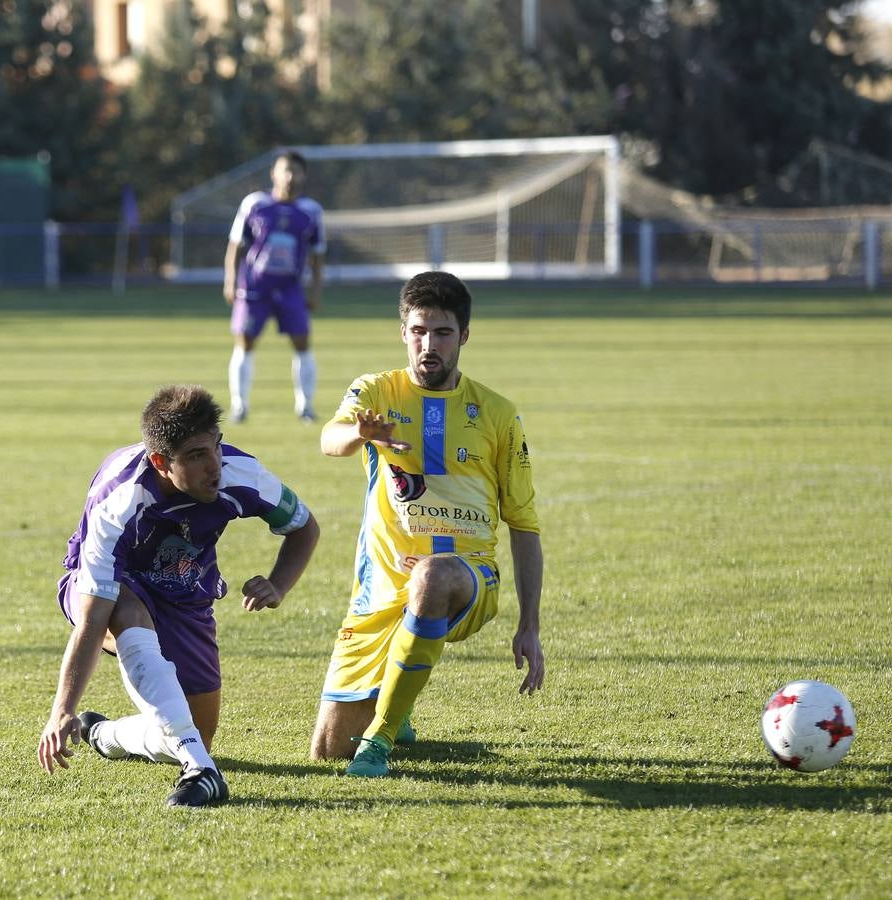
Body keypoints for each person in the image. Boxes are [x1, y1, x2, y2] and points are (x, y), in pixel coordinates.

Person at [37, 384, 320, 807]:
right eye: (195, 456)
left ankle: (104, 734)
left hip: (185, 591)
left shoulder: (241, 474)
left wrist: (278, 584)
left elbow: (304, 526)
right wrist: (62, 707)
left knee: (193, 732)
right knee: (124, 610)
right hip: (113, 586)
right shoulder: (119, 501)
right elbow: (93, 619)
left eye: (215, 447)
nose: (214, 466)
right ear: (160, 462)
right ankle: (202, 772)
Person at [309, 271, 545, 777]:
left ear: (464, 336)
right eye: (418, 331)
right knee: (328, 748)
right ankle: (400, 701)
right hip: (382, 588)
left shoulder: (498, 414)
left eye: (442, 332)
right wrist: (361, 434)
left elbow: (524, 524)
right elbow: (330, 438)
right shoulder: (377, 391)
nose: (428, 344)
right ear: (403, 333)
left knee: (433, 576)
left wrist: (529, 625)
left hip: (468, 578)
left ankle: (380, 737)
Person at [223, 150, 326, 424]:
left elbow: (318, 255)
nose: (290, 176)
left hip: (290, 289)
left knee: (302, 343)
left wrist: (316, 291)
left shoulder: (311, 211)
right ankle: (239, 406)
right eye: (285, 170)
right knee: (245, 343)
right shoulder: (255, 204)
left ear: (303, 175)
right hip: (254, 288)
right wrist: (230, 280)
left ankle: (305, 407)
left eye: (296, 171)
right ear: (274, 173)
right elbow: (236, 245)